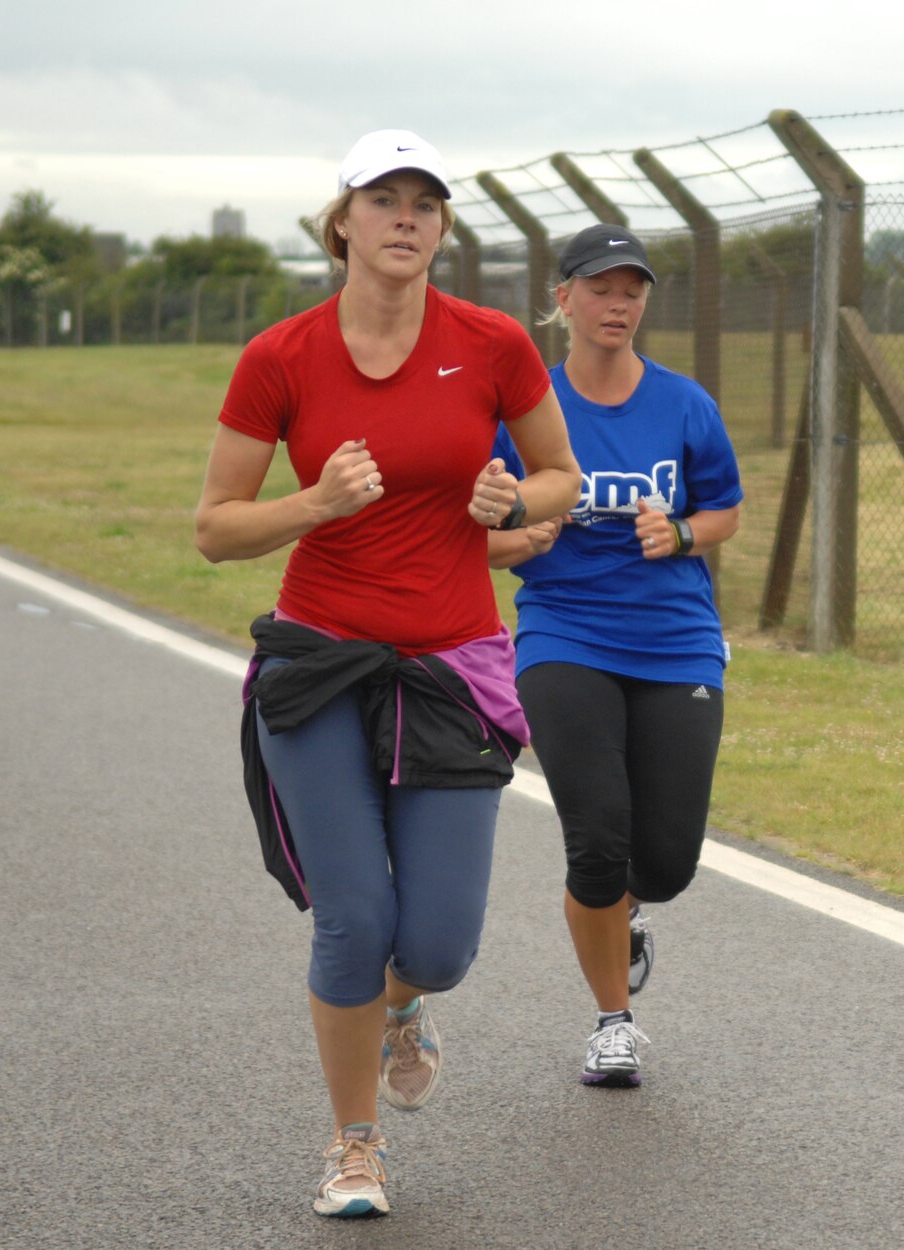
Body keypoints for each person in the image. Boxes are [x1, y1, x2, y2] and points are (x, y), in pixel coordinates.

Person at [195, 129, 581, 1218]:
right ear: (344, 222)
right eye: (385, 198)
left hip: (451, 664)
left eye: (426, 202)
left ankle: (406, 1004)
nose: (406, 216)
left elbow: (561, 474)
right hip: (320, 663)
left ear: (442, 229)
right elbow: (216, 529)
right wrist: (314, 503)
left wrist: (518, 500)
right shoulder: (282, 355)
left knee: (440, 942)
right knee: (353, 918)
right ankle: (352, 1143)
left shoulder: (494, 342)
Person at [488, 224, 743, 1089]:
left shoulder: (683, 404)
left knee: (664, 863)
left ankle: (626, 912)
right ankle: (612, 1023)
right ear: (562, 299)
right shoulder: (525, 409)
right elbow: (476, 538)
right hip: (565, 633)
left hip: (676, 641)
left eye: (632, 289)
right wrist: (520, 541)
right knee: (596, 841)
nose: (618, 303)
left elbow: (725, 514)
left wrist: (679, 532)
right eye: (600, 287)